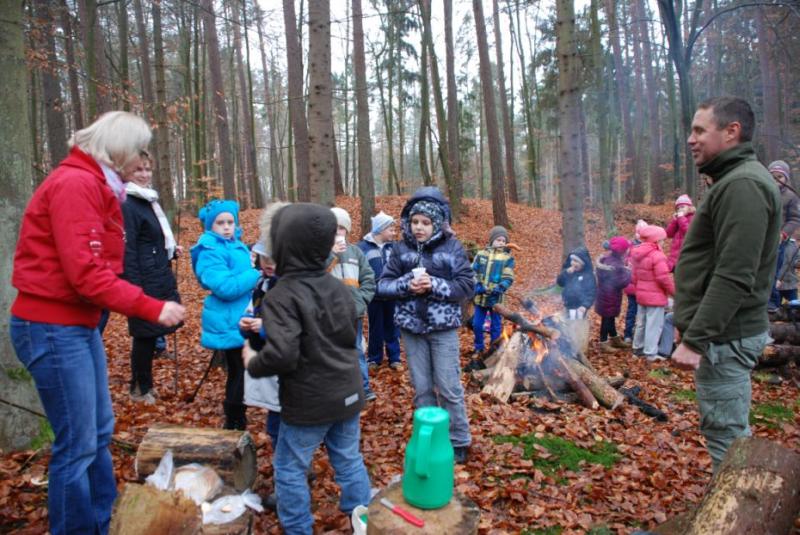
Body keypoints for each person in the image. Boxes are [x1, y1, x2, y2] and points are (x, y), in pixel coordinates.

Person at [9, 111, 185, 535]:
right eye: (138, 150)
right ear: (119, 149)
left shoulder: (99, 185)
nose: (141, 159)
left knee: (99, 432)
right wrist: (150, 307)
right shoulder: (76, 185)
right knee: (77, 444)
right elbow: (85, 273)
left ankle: (104, 522)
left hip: (76, 326)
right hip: (51, 326)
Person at [243, 203, 370, 534]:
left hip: (309, 401)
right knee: (348, 458)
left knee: (289, 468)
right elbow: (346, 337)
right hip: (348, 392)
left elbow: (283, 355)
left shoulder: (282, 295)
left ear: (283, 246)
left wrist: (252, 361)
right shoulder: (339, 289)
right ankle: (363, 518)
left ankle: (299, 528)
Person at [672, 96, 781, 471]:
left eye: (700, 130)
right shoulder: (732, 181)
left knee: (728, 439)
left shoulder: (743, 185)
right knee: (725, 435)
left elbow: (734, 276)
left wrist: (696, 339)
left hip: (726, 336)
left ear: (732, 131)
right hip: (721, 334)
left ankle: (737, 505)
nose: (691, 139)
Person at [377, 187, 475, 463]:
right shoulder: (400, 249)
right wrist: (406, 285)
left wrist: (434, 284)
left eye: (425, 222)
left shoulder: (452, 247)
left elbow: (467, 285)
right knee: (422, 388)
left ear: (437, 223)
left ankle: (458, 440)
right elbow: (383, 286)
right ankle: (429, 436)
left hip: (443, 329)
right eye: (415, 222)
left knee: (449, 387)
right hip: (412, 330)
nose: (419, 227)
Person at [191, 199, 260, 430]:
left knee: (243, 370)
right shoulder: (209, 251)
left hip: (243, 315)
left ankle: (238, 417)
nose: (227, 227)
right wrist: (255, 274)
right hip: (229, 319)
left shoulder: (234, 244)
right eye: (220, 223)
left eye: (230, 222)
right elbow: (225, 287)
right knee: (240, 371)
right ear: (210, 225)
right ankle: (234, 421)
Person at [121, 152, 182, 404]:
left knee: (151, 333)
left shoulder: (147, 200)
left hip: (157, 274)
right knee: (144, 335)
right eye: (138, 170)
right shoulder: (126, 203)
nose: (144, 174)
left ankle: (144, 384)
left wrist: (169, 250)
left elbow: (151, 240)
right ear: (125, 172)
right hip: (143, 280)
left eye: (147, 169)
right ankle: (139, 388)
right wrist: (133, 288)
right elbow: (128, 249)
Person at [328, 207, 377, 400]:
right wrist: (331, 254)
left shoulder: (356, 252)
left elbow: (369, 279)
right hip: (330, 313)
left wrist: (361, 300)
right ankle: (339, 389)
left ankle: (363, 388)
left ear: (347, 231)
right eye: (333, 228)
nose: (337, 232)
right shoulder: (321, 253)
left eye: (341, 228)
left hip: (354, 312)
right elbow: (316, 274)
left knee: (356, 350)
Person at [357, 211, 402, 370]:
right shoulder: (362, 248)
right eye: (391, 229)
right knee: (375, 327)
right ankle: (374, 359)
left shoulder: (394, 248)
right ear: (381, 229)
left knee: (392, 327)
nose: (394, 233)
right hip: (373, 296)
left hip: (392, 295)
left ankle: (394, 358)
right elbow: (359, 271)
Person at [629, 225, 674, 361]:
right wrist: (674, 292)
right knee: (653, 325)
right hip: (655, 297)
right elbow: (663, 278)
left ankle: (637, 349)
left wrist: (640, 289)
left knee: (641, 323)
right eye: (662, 240)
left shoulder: (636, 253)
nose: (663, 242)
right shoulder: (657, 255)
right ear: (656, 240)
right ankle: (650, 353)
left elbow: (634, 277)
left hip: (641, 295)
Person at [471, 226, 515, 356]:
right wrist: (477, 285)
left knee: (495, 326)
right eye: (498, 240)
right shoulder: (481, 254)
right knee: (477, 324)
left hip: (496, 300)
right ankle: (479, 347)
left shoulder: (507, 258)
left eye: (503, 241)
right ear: (492, 241)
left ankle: (494, 349)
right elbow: (471, 272)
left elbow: (508, 277)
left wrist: (500, 287)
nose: (501, 243)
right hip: (480, 298)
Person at [767, 160, 800, 311]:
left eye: (779, 177)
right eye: (772, 176)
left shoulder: (790, 196)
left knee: (774, 271)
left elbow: (795, 218)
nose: (776, 180)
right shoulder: (762, 193)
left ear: (786, 178)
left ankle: (773, 304)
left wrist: (784, 233)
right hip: (761, 239)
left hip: (779, 241)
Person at [595, 236, 632, 353]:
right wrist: (629, 272)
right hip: (609, 296)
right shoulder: (615, 264)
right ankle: (603, 342)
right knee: (607, 319)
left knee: (609, 317)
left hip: (606, 294)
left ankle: (615, 338)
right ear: (622, 251)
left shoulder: (608, 259)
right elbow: (620, 283)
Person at [622, 220, 648, 345]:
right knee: (633, 310)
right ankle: (628, 334)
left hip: (643, 285)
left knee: (641, 312)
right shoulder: (630, 247)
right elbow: (625, 263)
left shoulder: (648, 246)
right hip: (633, 285)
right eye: (639, 232)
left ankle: (637, 335)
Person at [556, 246, 596, 319]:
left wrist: (585, 305)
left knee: (578, 322)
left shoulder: (588, 276)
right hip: (568, 304)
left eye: (576, 261)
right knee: (568, 322)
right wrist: (565, 273)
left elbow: (591, 292)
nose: (573, 263)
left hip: (581, 307)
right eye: (572, 260)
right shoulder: (569, 272)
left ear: (583, 263)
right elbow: (560, 283)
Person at [665, 194, 695, 272]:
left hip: (687, 256)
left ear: (689, 207)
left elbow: (688, 232)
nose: (680, 209)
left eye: (682, 207)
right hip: (675, 256)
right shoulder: (678, 219)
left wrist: (681, 218)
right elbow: (669, 234)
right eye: (678, 208)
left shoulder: (693, 218)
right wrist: (674, 221)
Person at [775, 237, 800, 305]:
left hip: (790, 284)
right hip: (774, 285)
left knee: (794, 307)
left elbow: (796, 262)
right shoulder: (772, 243)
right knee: (774, 308)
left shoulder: (793, 245)